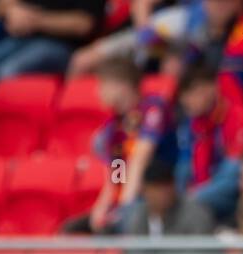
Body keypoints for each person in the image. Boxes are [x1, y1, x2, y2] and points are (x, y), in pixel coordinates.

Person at [66, 56, 176, 234]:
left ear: (122, 86)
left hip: (154, 196)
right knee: (72, 229)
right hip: (127, 199)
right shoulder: (114, 127)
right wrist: (101, 209)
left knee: (124, 224)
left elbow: (139, 160)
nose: (97, 92)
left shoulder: (153, 109)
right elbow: (117, 174)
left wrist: (124, 208)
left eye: (102, 86)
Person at [124, 158, 214, 254]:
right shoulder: (138, 216)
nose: (162, 194)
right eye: (156, 188)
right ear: (145, 190)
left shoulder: (196, 214)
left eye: (166, 186)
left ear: (173, 186)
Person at [175, 61, 243, 221]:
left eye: (191, 97)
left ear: (209, 89)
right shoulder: (197, 122)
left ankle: (184, 205)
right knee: (182, 169)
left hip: (235, 186)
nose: (188, 105)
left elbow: (236, 165)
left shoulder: (235, 113)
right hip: (209, 186)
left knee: (233, 168)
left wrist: (194, 196)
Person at [0, 0, 102, 80]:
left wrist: (36, 21)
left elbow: (85, 25)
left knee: (9, 72)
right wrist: (12, 9)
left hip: (61, 45)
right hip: (15, 39)